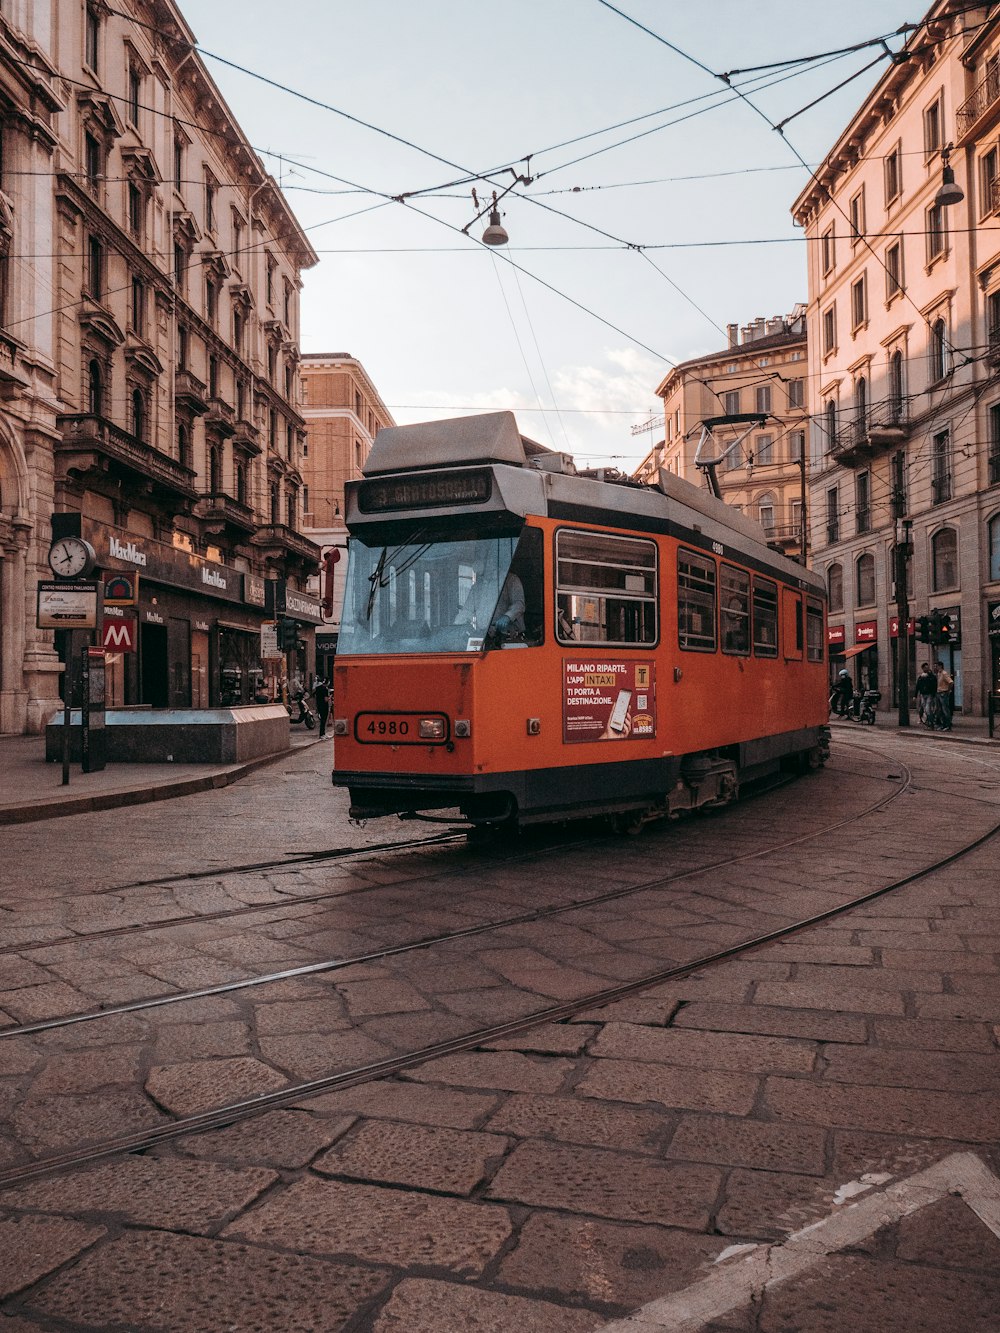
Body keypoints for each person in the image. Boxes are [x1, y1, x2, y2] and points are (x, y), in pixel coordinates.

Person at [456, 565, 525, 640]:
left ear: (490, 560)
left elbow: (519, 604)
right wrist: (457, 626)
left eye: (480, 558)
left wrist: (507, 616)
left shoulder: (511, 580)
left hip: (509, 637)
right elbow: (467, 610)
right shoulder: (477, 586)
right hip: (485, 637)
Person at [933, 659, 954, 730]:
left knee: (945, 710)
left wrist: (948, 690)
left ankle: (948, 725)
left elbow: (951, 682)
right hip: (938, 693)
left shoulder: (944, 673)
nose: (935, 668)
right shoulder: (938, 674)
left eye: (936, 666)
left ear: (940, 666)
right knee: (940, 710)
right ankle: (943, 724)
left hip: (943, 693)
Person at [914, 662, 936, 726]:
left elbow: (934, 684)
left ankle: (930, 722)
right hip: (923, 694)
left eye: (927, 667)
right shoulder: (921, 677)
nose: (927, 668)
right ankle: (928, 720)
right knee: (924, 708)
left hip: (929, 694)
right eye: (925, 668)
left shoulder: (931, 675)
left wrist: (933, 694)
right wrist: (915, 695)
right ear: (923, 668)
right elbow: (918, 686)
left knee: (927, 708)